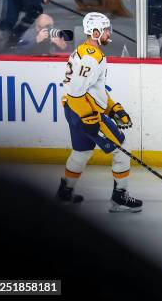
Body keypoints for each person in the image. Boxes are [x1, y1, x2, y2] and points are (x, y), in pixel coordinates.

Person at [56, 12, 142, 212]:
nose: (108, 33)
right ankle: (120, 197)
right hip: (86, 114)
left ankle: (65, 192)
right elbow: (76, 91)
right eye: (105, 30)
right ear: (94, 32)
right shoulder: (92, 58)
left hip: (74, 111)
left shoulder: (84, 51)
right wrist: (89, 118)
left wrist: (114, 108)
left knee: (81, 152)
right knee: (122, 148)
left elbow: (93, 90)